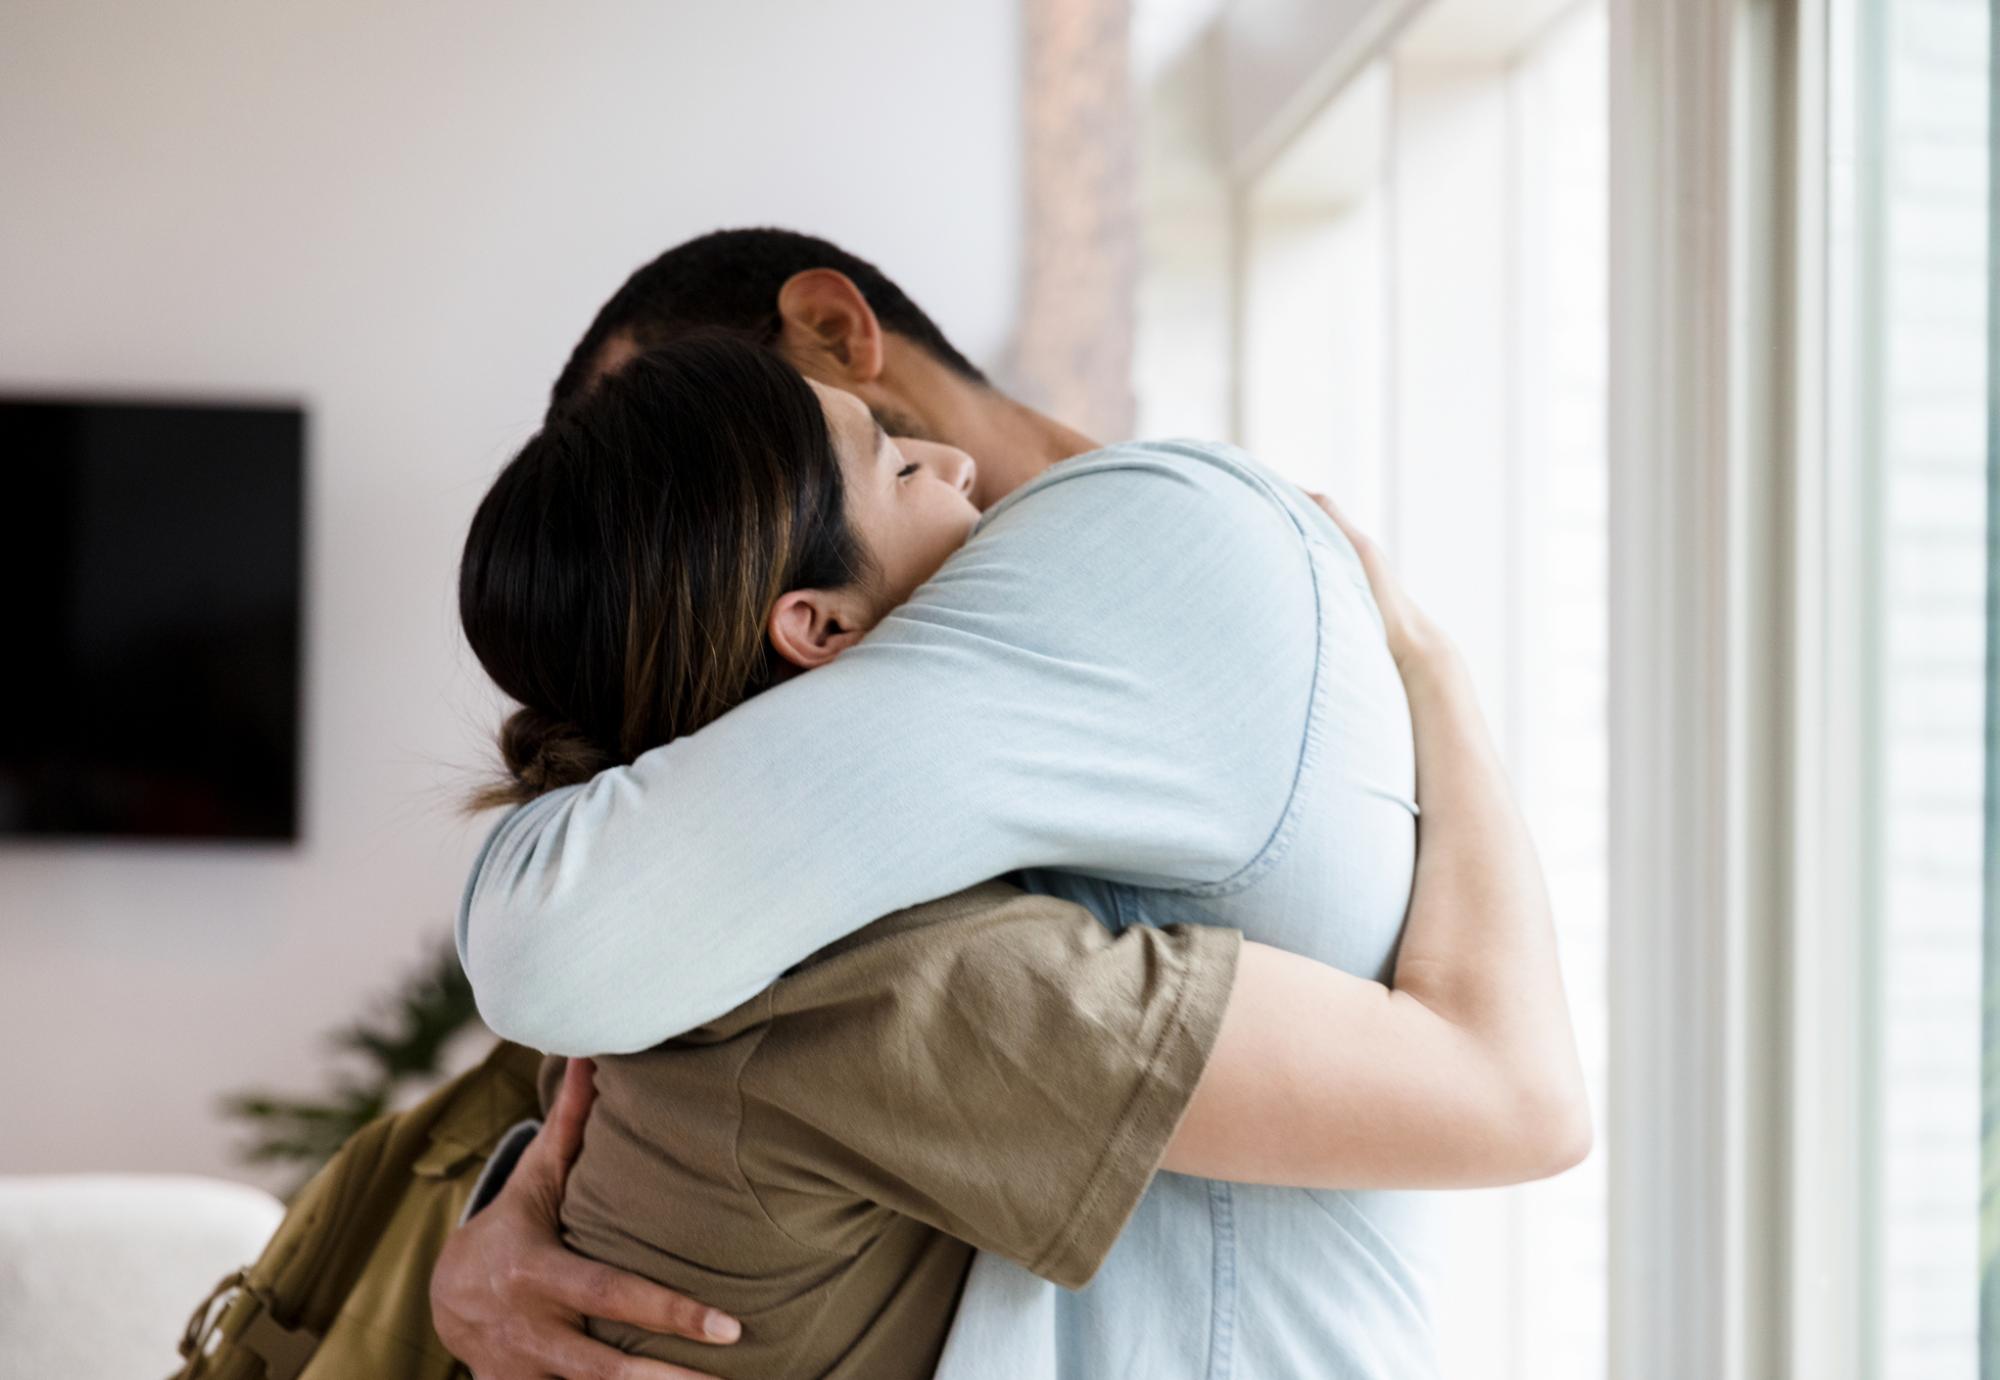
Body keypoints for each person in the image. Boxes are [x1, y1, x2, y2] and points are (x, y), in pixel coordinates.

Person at [433, 229, 1588, 1380]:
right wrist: (1438, 675)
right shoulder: (894, 985)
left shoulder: (735, 929)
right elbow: (1514, 1099)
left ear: (838, 334)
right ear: (812, 626)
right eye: (893, 466)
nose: (950, 467)